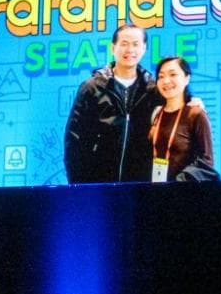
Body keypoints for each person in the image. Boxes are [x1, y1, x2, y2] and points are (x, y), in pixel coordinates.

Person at [62, 24, 162, 184]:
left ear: (144, 48)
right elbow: (74, 139)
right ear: (113, 47)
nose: (130, 50)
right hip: (98, 184)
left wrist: (191, 100)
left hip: (140, 185)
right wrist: (78, 185)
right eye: (124, 44)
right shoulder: (92, 87)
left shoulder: (153, 90)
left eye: (136, 44)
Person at [147, 55, 216, 182]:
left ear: (186, 78)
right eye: (161, 76)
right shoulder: (156, 114)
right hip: (156, 192)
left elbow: (206, 161)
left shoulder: (196, 114)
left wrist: (181, 181)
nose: (166, 81)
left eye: (172, 74)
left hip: (184, 193)